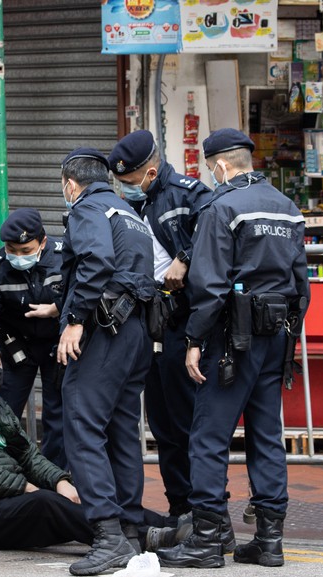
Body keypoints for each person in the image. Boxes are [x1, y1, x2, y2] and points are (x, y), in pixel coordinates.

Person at [156, 129, 310, 569]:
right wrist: (286, 334)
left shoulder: (222, 206)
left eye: (210, 168)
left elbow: (210, 285)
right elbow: (302, 286)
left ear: (220, 166)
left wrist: (193, 340)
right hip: (275, 334)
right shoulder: (287, 207)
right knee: (266, 436)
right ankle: (269, 540)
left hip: (231, 338)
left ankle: (206, 541)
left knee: (207, 436)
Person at [56, 148, 157, 577]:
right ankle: (130, 528)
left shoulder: (87, 208)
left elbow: (96, 262)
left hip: (103, 330)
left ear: (70, 185)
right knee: (119, 428)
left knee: (81, 423)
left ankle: (107, 535)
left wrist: (75, 320)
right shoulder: (128, 211)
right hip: (135, 331)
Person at [109, 130, 214, 522]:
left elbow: (215, 228)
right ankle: (180, 509)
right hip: (150, 323)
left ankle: (206, 514)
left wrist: (185, 258)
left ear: (151, 172)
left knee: (188, 422)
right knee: (163, 424)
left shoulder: (188, 194)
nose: (127, 189)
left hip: (186, 320)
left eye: (132, 182)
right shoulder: (131, 205)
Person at [0, 345, 92, 549]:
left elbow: (28, 454)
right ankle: (116, 537)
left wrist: (60, 481)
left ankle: (141, 528)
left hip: (3, 498)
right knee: (45, 503)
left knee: (84, 494)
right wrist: (26, 487)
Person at [0, 208, 66, 467]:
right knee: (5, 412)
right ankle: (3, 472)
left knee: (57, 414)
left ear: (43, 242)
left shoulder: (64, 257)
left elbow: (80, 295)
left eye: (25, 251)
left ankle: (55, 475)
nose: (17, 256)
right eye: (11, 250)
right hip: (15, 345)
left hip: (57, 344)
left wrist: (57, 308)